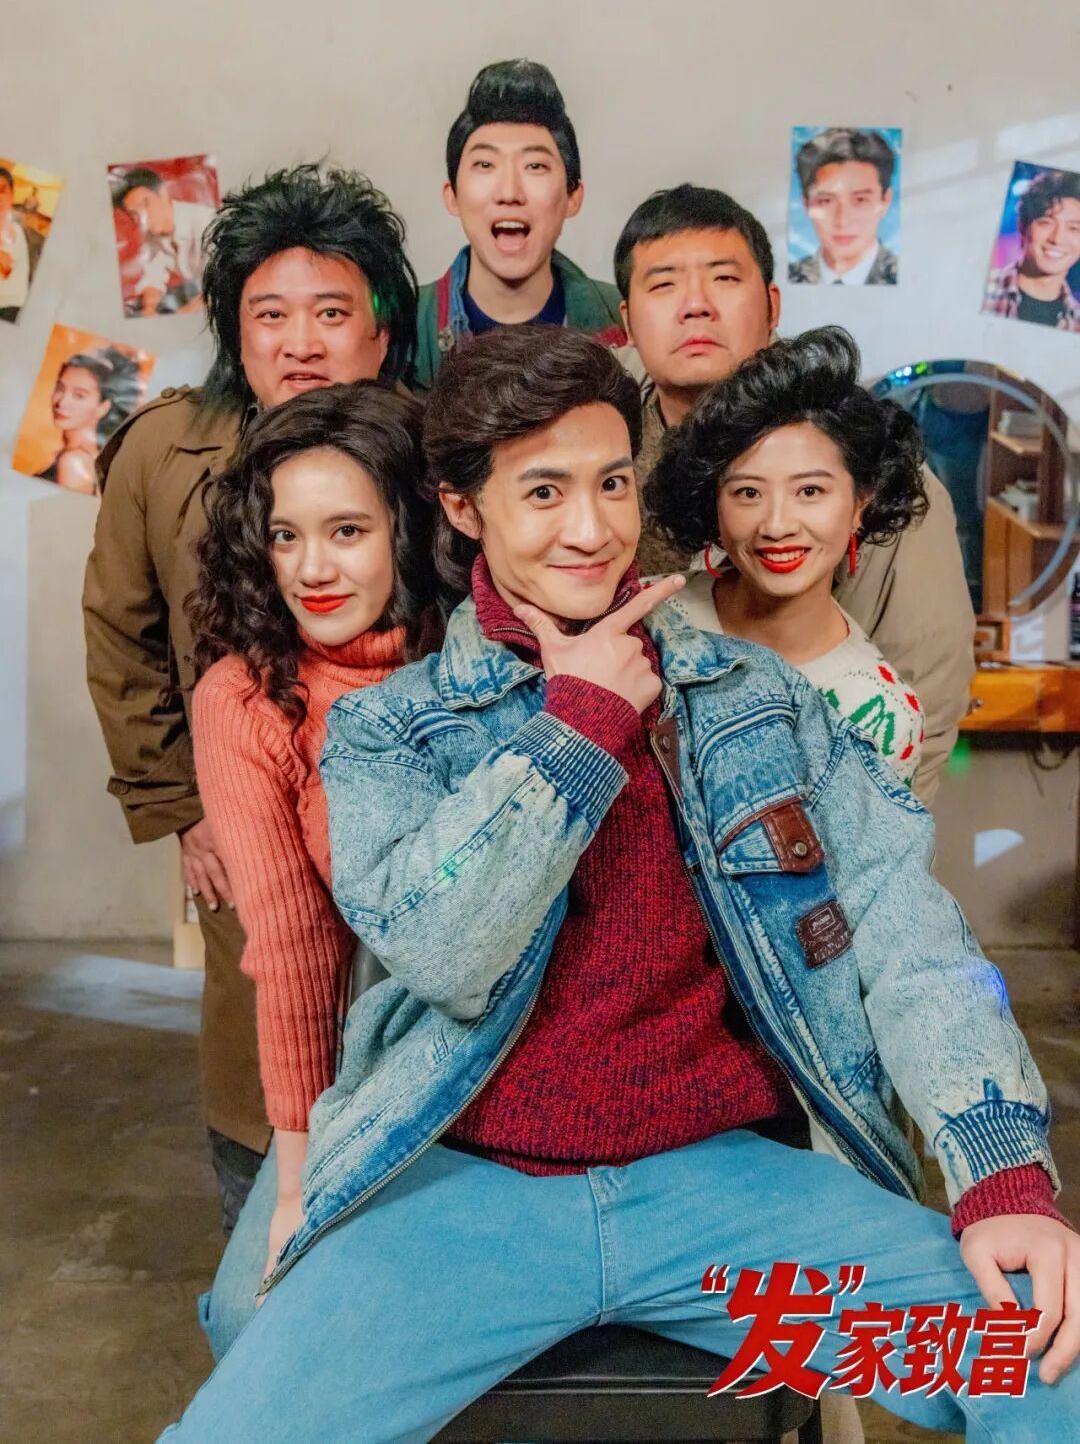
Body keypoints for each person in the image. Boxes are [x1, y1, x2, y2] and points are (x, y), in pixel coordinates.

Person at [158, 326, 1078, 1444]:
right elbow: (444, 950)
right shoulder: (392, 728)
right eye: (544, 490)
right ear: (463, 507)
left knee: (1051, 1366)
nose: (591, 529)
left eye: (611, 483)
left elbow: (909, 933)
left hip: (728, 1203)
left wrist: (1000, 1173)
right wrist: (578, 731)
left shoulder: (755, 700)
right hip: (465, 1200)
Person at [82, 163, 419, 1230]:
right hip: (240, 815)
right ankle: (267, 1224)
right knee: (267, 1024)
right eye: (270, 314)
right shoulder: (161, 450)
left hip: (418, 828)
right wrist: (182, 808)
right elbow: (123, 634)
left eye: (331, 312)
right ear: (237, 331)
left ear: (380, 333)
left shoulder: (439, 453)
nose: (300, 341)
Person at [188, 381, 440, 1310]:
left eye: (347, 530)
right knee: (247, 1315)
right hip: (367, 1076)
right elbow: (294, 948)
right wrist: (298, 1185)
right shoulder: (246, 699)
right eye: (285, 535)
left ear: (408, 528)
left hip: (531, 1062)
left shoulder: (477, 656)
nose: (311, 568)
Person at [615, 183, 974, 804]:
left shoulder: (868, 467)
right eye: (664, 283)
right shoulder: (603, 458)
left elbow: (926, 698)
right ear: (626, 321)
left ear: (772, 304)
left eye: (724, 278)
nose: (695, 306)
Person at [647, 327, 927, 784]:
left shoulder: (881, 717)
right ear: (713, 503)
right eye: (748, 492)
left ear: (862, 502)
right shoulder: (647, 618)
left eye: (810, 491)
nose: (776, 526)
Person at [407, 58, 625, 393]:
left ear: (573, 197)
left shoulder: (624, 319)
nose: (509, 192)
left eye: (535, 166)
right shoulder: (404, 328)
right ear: (453, 196)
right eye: (485, 164)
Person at [788, 128, 899, 286]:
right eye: (826, 201)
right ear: (806, 203)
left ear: (885, 201)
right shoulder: (787, 277)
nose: (843, 221)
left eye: (861, 200)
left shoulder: (907, 275)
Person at [982, 168, 1080, 332]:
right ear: (1023, 227)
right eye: (1046, 223)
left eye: (1074, 228)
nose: (1057, 239)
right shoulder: (984, 291)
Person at [112, 167, 217, 316]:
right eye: (135, 214)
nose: (143, 218)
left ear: (163, 194)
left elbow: (222, 288)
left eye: (146, 204)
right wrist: (149, 308)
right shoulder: (152, 234)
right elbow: (154, 273)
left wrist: (180, 316)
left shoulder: (206, 224)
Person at [38, 347, 145, 494]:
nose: (62, 402)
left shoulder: (73, 463)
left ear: (103, 407)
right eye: (60, 388)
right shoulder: (91, 458)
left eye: (79, 395)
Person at [0, 166, 35, 322]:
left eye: (3, 191)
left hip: (15, 308)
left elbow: (6, 267)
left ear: (12, 195)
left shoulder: (19, 231)